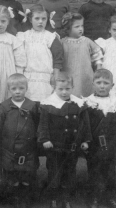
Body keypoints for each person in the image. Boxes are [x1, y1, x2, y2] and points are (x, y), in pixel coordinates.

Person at [38, 73, 90, 208]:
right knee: (54, 172)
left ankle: (66, 198)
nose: (64, 92)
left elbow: (85, 124)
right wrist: (45, 139)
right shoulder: (48, 104)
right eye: (60, 89)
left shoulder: (78, 104)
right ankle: (53, 199)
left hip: (72, 146)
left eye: (67, 89)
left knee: (70, 172)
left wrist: (85, 141)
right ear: (54, 88)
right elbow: (43, 124)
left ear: (72, 87)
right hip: (54, 146)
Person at [82, 69, 116, 208]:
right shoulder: (88, 103)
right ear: (93, 84)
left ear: (112, 85)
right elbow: (84, 125)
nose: (102, 86)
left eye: (106, 83)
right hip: (94, 145)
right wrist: (85, 141)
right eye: (99, 82)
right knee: (93, 171)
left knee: (110, 171)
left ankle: (110, 197)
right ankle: (94, 197)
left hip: (112, 144)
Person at [0, 74, 40, 204]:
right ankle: (13, 198)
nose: (18, 91)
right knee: (11, 174)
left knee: (27, 174)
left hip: (28, 148)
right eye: (14, 88)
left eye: (21, 88)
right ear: (9, 90)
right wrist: (0, 146)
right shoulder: (4, 106)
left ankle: (26, 197)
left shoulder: (32, 106)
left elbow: (37, 123)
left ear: (26, 88)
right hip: (9, 148)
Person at [16, 4, 64, 102]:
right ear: (30, 19)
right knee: (28, 104)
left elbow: (57, 57)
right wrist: (19, 76)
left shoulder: (50, 37)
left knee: (45, 104)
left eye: (43, 18)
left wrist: (56, 75)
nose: (40, 22)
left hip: (45, 77)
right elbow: (19, 57)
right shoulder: (23, 36)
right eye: (37, 18)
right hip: (27, 76)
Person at [60, 12, 103, 98]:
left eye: (82, 26)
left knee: (85, 98)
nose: (80, 29)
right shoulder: (62, 42)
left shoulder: (86, 41)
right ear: (68, 28)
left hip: (85, 75)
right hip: (69, 75)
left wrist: (98, 68)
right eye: (77, 26)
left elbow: (97, 55)